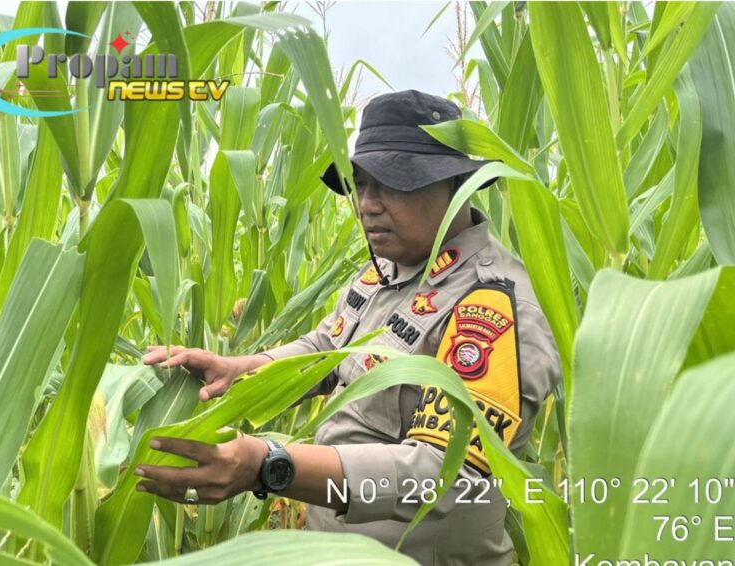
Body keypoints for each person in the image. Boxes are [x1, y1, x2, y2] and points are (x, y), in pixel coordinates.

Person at [137, 90, 561, 565]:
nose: (367, 205)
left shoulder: (490, 304)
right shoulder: (387, 269)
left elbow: (445, 473)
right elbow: (329, 346)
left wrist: (270, 465)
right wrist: (243, 368)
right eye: (360, 184)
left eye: (393, 185)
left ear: (456, 184)